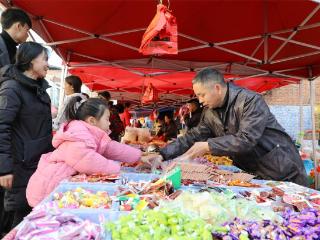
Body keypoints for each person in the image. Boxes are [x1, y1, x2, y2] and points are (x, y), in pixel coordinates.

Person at [159, 68, 308, 186]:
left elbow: (246, 139)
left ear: (217, 88)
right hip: (253, 172)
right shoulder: (209, 112)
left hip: (283, 170)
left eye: (202, 95)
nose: (200, 101)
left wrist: (208, 146)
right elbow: (194, 136)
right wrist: (163, 154)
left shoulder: (250, 101)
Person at [26, 98, 141, 207]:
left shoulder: (90, 134)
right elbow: (88, 160)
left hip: (59, 187)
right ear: (92, 120)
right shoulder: (78, 133)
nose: (109, 123)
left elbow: (110, 147)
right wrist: (118, 170)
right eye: (107, 119)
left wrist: (139, 156)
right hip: (49, 189)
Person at [0, 42, 53, 228]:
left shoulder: (39, 89)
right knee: (20, 218)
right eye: (45, 59)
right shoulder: (12, 89)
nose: (47, 64)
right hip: (20, 166)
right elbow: (2, 126)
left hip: (37, 164)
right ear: (31, 61)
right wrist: (4, 168)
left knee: (32, 216)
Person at [0, 8, 31, 235]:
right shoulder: (3, 48)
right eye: (28, 30)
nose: (28, 36)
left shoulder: (12, 48)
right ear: (18, 26)